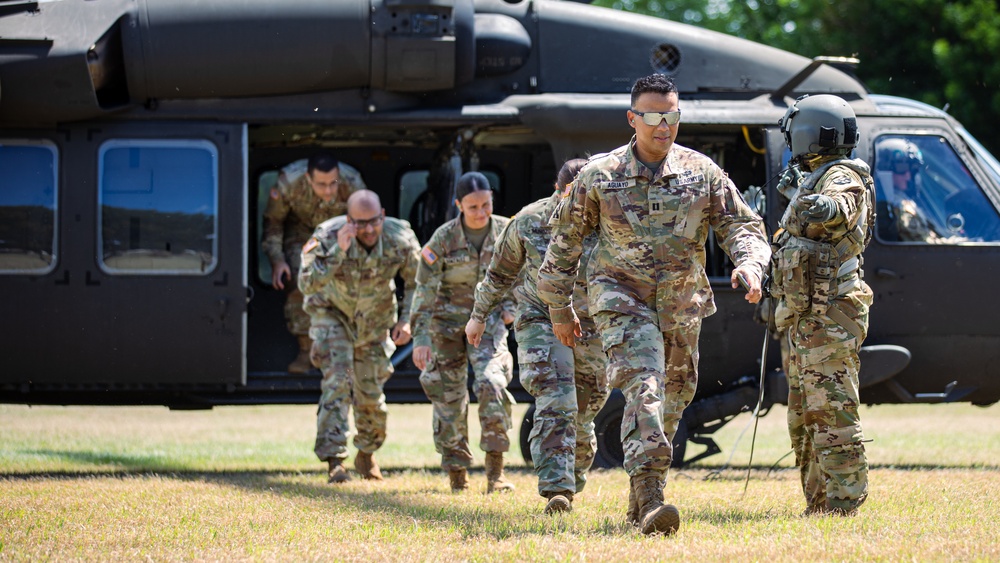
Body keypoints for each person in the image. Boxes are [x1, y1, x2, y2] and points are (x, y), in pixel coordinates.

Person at [536, 74, 770, 535]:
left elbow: (743, 227)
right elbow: (562, 245)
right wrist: (559, 309)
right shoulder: (599, 176)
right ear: (633, 118)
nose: (664, 126)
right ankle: (651, 498)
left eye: (672, 116)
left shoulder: (701, 173)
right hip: (621, 301)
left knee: (673, 400)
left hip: (682, 304)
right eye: (654, 117)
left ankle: (638, 499)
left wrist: (750, 265)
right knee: (644, 385)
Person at [466, 158, 609, 514]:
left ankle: (571, 476)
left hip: (591, 324)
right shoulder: (529, 221)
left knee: (585, 408)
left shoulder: (613, 221)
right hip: (539, 318)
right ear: (559, 191)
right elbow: (498, 274)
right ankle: (557, 489)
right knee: (556, 395)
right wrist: (478, 316)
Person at [772, 94, 876, 516]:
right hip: (806, 316)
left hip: (830, 316)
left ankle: (844, 502)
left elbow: (840, 207)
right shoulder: (811, 177)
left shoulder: (842, 176)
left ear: (808, 133)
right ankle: (819, 503)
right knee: (803, 417)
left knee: (831, 413)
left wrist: (817, 203)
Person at [298, 190, 421, 483]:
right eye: (359, 223)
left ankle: (366, 454)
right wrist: (338, 250)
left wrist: (407, 320)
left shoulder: (399, 236)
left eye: (373, 222)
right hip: (332, 315)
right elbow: (306, 283)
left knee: (370, 395)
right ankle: (334, 462)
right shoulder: (327, 235)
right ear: (348, 219)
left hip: (374, 321)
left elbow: (419, 282)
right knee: (339, 381)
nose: (367, 229)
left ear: (383, 214)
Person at [409, 171, 517, 493]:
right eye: (473, 207)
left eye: (486, 205)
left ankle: (495, 474)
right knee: (448, 396)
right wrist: (421, 339)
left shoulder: (506, 231)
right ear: (458, 205)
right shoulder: (443, 240)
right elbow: (423, 292)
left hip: (487, 322)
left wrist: (513, 306)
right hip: (445, 327)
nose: (481, 212)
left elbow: (521, 273)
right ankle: (458, 475)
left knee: (492, 383)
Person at [262, 153, 367, 373]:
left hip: (339, 235)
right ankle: (306, 351)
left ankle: (345, 353)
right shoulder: (289, 183)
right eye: (321, 185)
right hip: (301, 235)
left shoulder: (352, 183)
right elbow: (273, 224)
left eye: (333, 183)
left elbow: (365, 224)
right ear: (309, 180)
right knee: (301, 280)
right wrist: (277, 261)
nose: (328, 191)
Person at [875, 138, 963, 243]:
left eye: (911, 169)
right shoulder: (896, 206)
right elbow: (925, 243)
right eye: (902, 169)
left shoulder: (903, 200)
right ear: (884, 170)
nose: (907, 176)